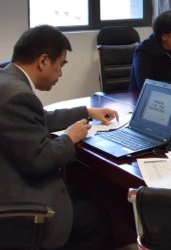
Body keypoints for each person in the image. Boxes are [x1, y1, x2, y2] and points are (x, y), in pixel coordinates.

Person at [0, 25, 118, 250]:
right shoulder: (18, 95)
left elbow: (37, 118)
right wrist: (69, 137)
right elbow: (41, 160)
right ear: (43, 61)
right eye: (61, 65)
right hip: (18, 202)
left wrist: (86, 111)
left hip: (9, 178)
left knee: (83, 190)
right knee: (98, 220)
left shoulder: (6, 78)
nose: (61, 74)